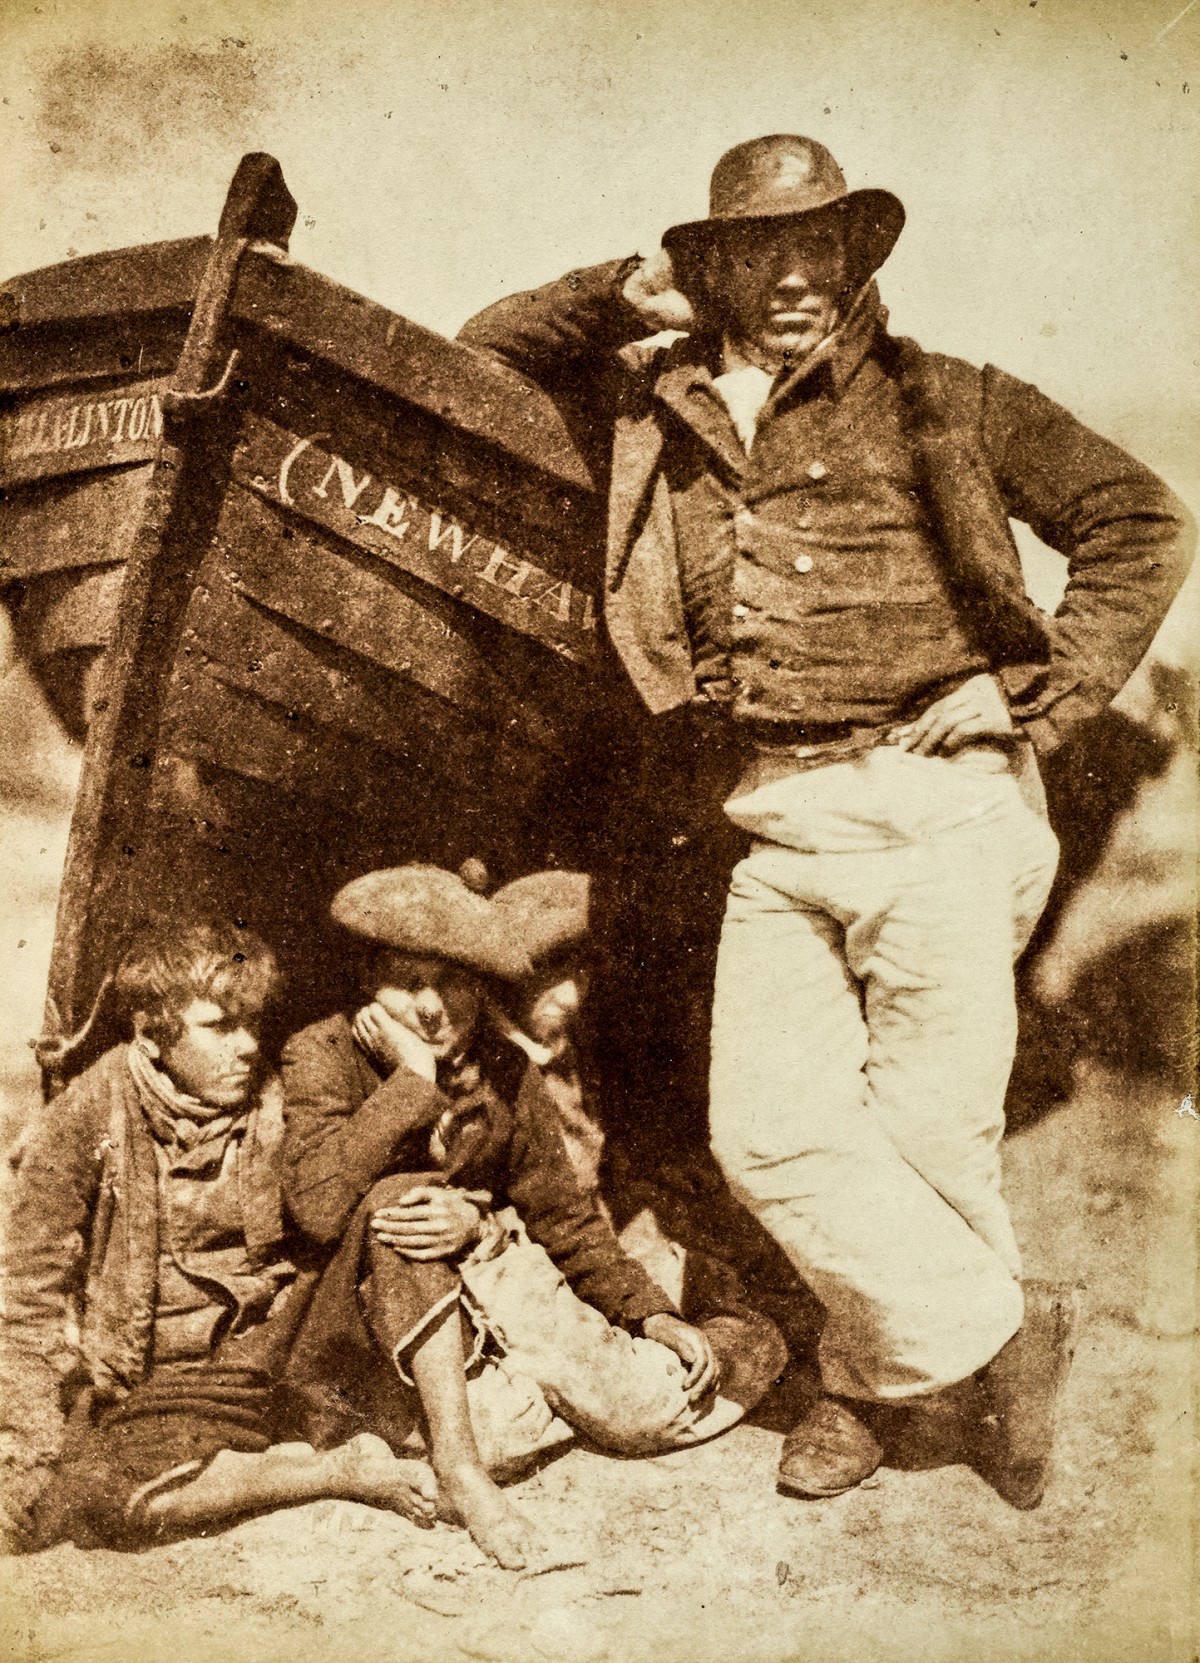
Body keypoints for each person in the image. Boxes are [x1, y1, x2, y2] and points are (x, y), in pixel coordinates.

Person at [458, 134, 1195, 1507]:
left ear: (857, 257)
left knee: (928, 1129)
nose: (797, 274)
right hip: (776, 813)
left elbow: (1141, 518)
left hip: (942, 806)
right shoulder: (651, 396)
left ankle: (873, 1394)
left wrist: (1032, 702)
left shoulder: (952, 397)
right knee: (773, 1132)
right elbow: (485, 351)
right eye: (762, 248)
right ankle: (1002, 1329)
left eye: (822, 245)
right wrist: (625, 289)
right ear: (714, 262)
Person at [279, 864, 768, 1570]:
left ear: (482, 988)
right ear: (366, 980)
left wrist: (649, 1313)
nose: (429, 1006)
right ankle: (464, 1468)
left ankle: (729, 1321)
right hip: (363, 1323)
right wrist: (411, 1081)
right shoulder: (321, 1052)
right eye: (405, 979)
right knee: (405, 1199)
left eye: (453, 982)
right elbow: (321, 1209)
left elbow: (565, 1215)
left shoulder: (503, 1067)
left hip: (487, 1291)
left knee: (646, 1409)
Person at [0, 918, 435, 1552]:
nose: (248, 1046)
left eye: (253, 1023)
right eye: (220, 1027)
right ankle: (328, 1473)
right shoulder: (88, 1114)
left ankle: (300, 1452)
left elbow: (368, 1178)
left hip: (283, 1347)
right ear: (152, 1035)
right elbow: (28, 1294)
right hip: (164, 1383)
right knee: (92, 1497)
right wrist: (28, 1447)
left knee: (385, 1211)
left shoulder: (279, 1098)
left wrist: (465, 1198)